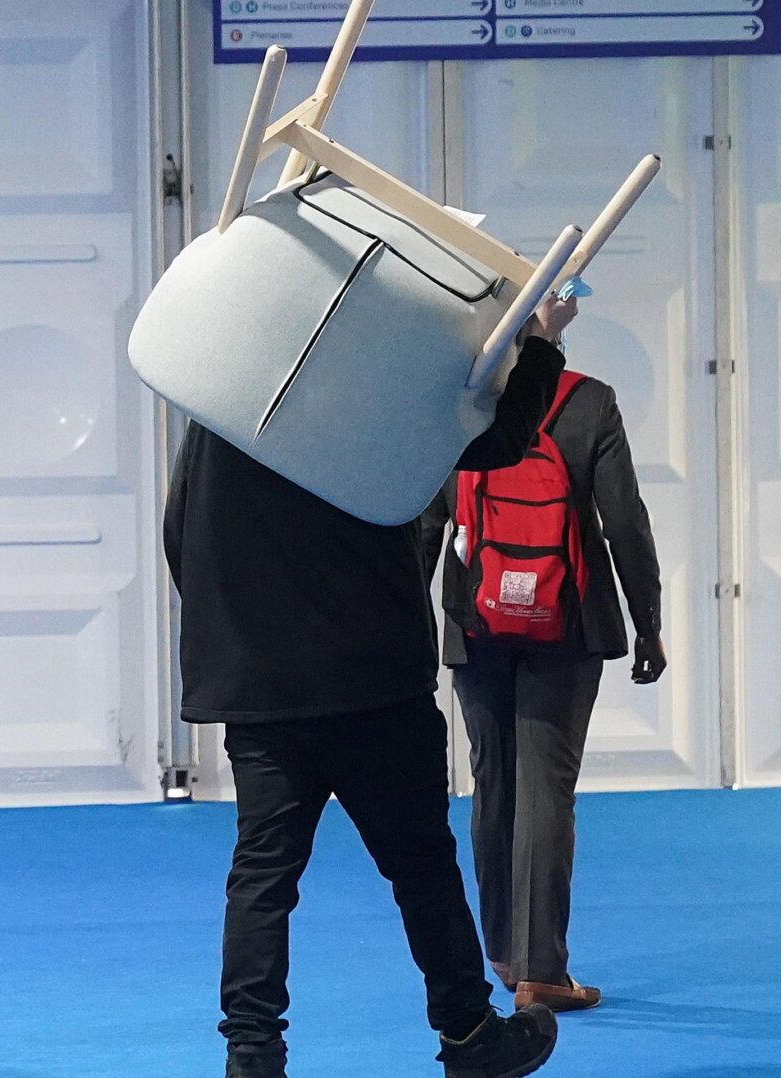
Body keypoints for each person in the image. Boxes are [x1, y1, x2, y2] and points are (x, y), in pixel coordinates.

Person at [165, 297, 581, 1078]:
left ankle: (252, 1056)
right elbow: (498, 442)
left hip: (261, 688)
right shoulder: (369, 398)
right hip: (372, 682)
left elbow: (177, 528)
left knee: (263, 875)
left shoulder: (221, 409)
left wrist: (236, 641)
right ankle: (467, 1032)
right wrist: (540, 349)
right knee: (421, 867)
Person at [420, 368, 664, 1014]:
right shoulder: (588, 403)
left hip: (475, 621)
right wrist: (648, 625)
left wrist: (408, 634)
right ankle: (543, 970)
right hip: (567, 621)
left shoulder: (455, 398)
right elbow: (625, 525)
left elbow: (423, 523)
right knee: (546, 791)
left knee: (493, 782)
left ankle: (501, 950)